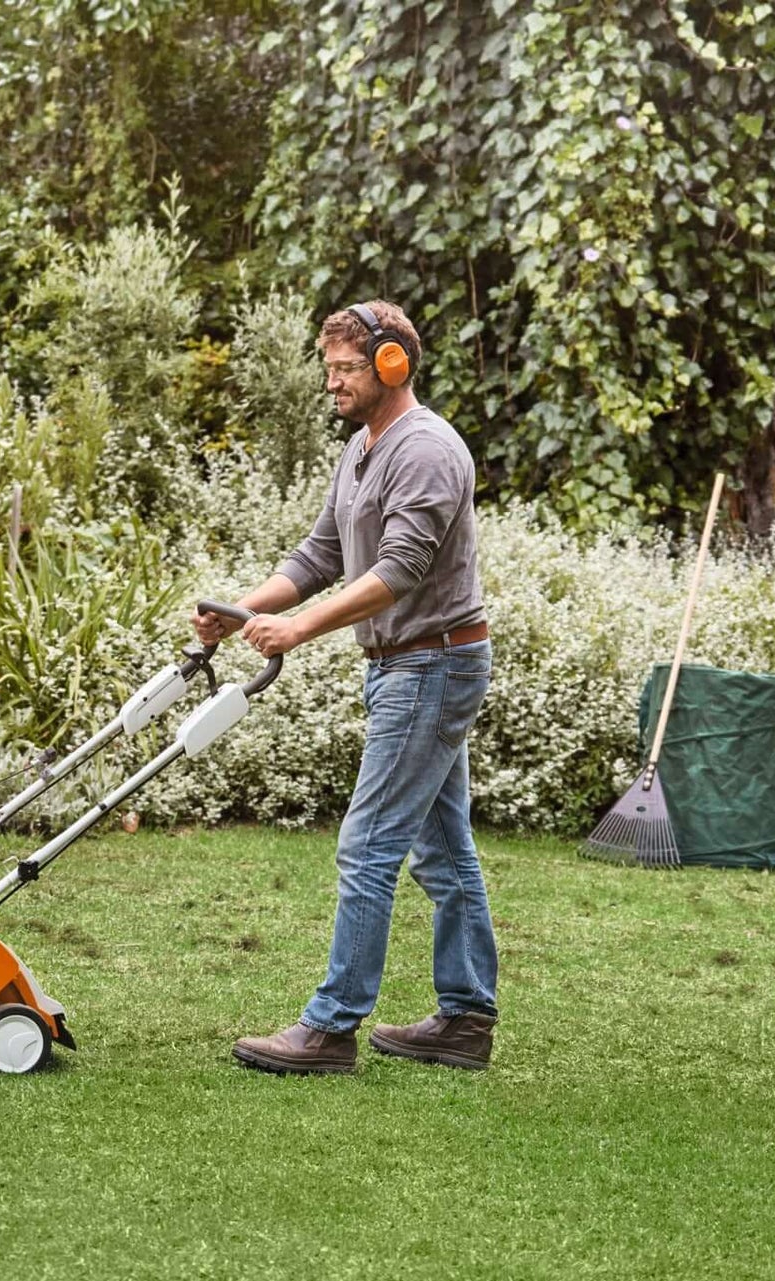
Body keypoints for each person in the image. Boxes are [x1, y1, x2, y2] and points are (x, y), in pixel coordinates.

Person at [196, 300, 499, 1074]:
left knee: (368, 847)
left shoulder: (426, 450)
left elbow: (396, 572)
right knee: (441, 848)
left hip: (431, 662)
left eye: (345, 368)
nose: (331, 381)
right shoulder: (363, 448)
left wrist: (299, 631)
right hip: (410, 664)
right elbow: (319, 555)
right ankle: (465, 1018)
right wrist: (244, 611)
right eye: (327, 366)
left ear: (392, 365)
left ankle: (330, 1028)